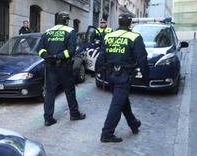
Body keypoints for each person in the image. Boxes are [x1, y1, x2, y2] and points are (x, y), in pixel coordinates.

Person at [96, 13, 149, 142]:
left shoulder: (109, 36)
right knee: (116, 105)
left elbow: (101, 57)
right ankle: (107, 133)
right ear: (130, 23)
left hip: (111, 76)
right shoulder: (135, 37)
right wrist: (146, 77)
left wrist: (99, 73)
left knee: (122, 101)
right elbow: (142, 59)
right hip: (124, 76)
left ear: (119, 23)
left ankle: (133, 123)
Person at [37, 11, 86, 126]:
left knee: (50, 92)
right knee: (69, 90)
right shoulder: (70, 32)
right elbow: (71, 51)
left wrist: (48, 56)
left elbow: (39, 49)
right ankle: (74, 114)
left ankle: (48, 118)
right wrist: (57, 56)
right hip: (64, 66)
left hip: (50, 66)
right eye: (67, 20)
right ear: (65, 21)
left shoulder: (48, 32)